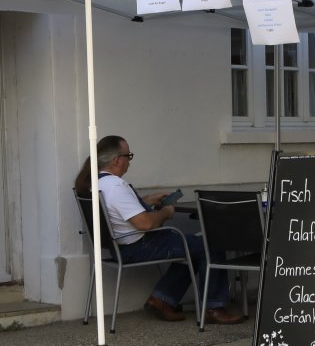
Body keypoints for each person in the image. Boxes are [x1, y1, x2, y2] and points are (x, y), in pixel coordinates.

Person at [78, 136, 243, 325]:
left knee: (192, 247)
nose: (129, 161)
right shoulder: (116, 186)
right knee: (209, 244)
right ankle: (213, 308)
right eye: (128, 156)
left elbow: (121, 209)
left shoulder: (97, 183)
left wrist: (148, 200)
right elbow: (145, 224)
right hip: (138, 246)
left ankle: (162, 299)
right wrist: (166, 213)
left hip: (118, 247)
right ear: (117, 160)